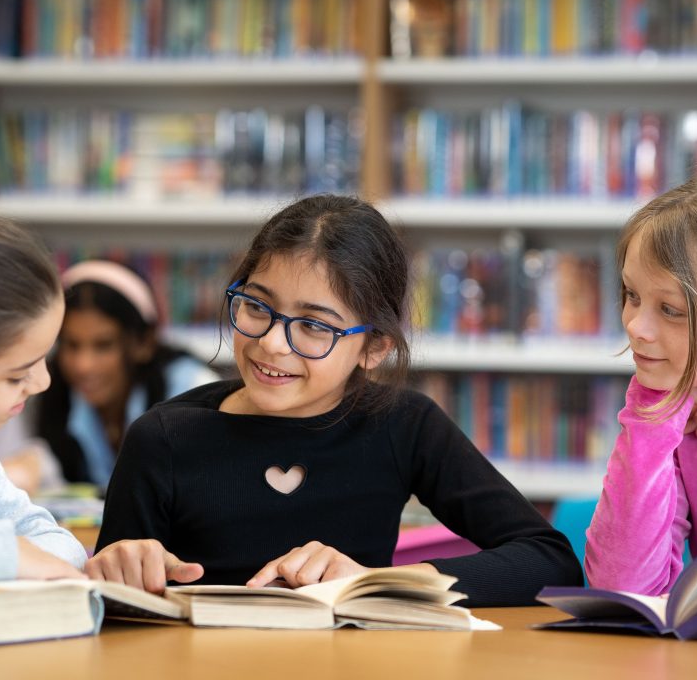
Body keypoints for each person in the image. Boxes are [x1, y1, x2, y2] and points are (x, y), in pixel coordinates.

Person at [85, 194, 582, 605]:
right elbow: (115, 601)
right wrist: (117, 570)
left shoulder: (403, 426)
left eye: (315, 325)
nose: (273, 343)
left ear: (374, 347)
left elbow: (549, 559)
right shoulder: (163, 438)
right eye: (257, 306)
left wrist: (376, 583)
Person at [586, 169, 697, 595]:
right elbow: (622, 588)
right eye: (632, 295)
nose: (635, 326)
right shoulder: (683, 420)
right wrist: (653, 412)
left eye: (670, 309)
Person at [0, 259, 220, 493]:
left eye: (103, 345)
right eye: (71, 344)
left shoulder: (195, 392)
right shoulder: (45, 395)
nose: (83, 366)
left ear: (144, 342)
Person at [0, 206, 87, 581]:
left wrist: (18, 553)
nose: (42, 383)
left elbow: (60, 545)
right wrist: (4, 553)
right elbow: (19, 552)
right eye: (17, 374)